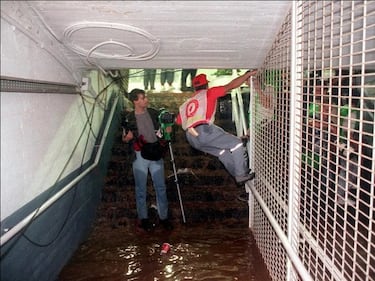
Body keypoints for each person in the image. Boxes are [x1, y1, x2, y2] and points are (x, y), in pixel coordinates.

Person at [175, 70, 257, 185]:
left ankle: (238, 173)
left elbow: (178, 121)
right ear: (206, 85)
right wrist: (247, 75)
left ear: (195, 88)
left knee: (222, 152)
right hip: (203, 131)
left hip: (191, 137)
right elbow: (231, 85)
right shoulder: (209, 93)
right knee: (237, 144)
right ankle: (241, 175)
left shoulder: (187, 103)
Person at [122, 88, 173, 232]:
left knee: (160, 187)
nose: (146, 100)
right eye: (143, 98)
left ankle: (164, 218)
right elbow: (124, 138)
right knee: (140, 189)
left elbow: (164, 129)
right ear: (135, 101)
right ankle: (143, 218)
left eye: (145, 97)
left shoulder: (154, 113)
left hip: (156, 153)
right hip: (139, 156)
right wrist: (128, 138)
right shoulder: (129, 118)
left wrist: (167, 131)